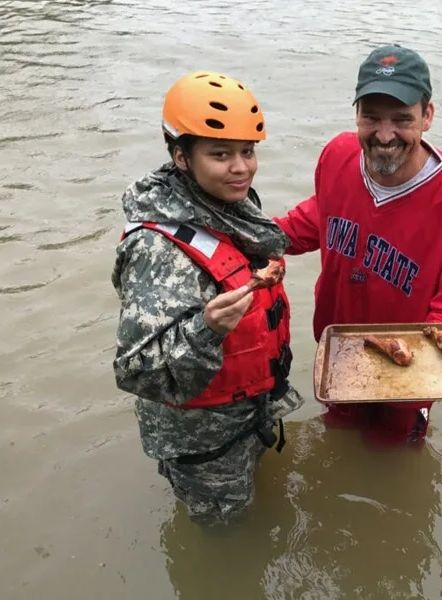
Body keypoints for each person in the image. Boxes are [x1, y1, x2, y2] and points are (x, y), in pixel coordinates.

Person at [273, 45, 442, 446]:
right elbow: (318, 217)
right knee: (334, 444)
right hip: (337, 354)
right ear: (356, 115)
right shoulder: (337, 155)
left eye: (402, 119)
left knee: (395, 458)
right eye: (371, 118)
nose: (385, 135)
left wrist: (406, 354)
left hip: (408, 379)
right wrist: (253, 237)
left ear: (428, 116)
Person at [111, 70, 304, 524]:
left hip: (247, 413)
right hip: (205, 445)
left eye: (248, 152)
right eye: (221, 154)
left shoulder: (223, 205)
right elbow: (136, 371)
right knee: (225, 538)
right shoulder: (156, 251)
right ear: (181, 156)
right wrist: (207, 329)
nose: (241, 168)